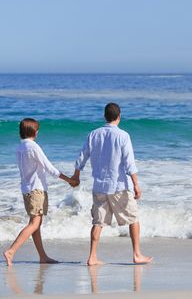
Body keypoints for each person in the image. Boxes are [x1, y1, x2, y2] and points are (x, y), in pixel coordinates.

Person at [72, 103, 152, 265]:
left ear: (104, 116)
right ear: (119, 116)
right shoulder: (123, 136)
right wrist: (136, 184)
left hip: (99, 186)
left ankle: (92, 257)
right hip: (119, 186)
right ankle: (137, 254)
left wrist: (76, 175)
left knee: (98, 222)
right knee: (133, 219)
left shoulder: (93, 134)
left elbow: (82, 157)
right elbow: (129, 163)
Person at [3, 118, 79, 267]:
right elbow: (49, 168)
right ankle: (11, 251)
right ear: (33, 131)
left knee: (36, 223)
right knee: (34, 224)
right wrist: (69, 180)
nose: (38, 132)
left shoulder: (20, 147)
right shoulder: (33, 146)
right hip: (36, 190)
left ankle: (42, 256)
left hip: (27, 190)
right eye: (37, 129)